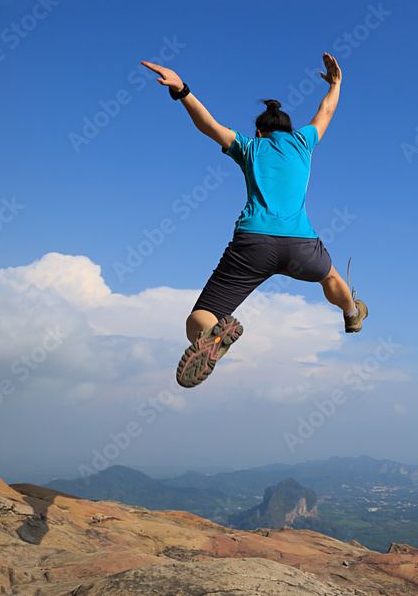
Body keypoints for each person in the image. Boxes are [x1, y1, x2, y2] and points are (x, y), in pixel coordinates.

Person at [141, 53, 367, 388]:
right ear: (290, 131)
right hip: (301, 245)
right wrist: (335, 84)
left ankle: (210, 337)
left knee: (197, 318)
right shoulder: (304, 142)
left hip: (252, 244)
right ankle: (352, 314)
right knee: (330, 276)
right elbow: (326, 111)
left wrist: (182, 90)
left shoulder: (250, 147)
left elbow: (210, 126)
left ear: (258, 131)